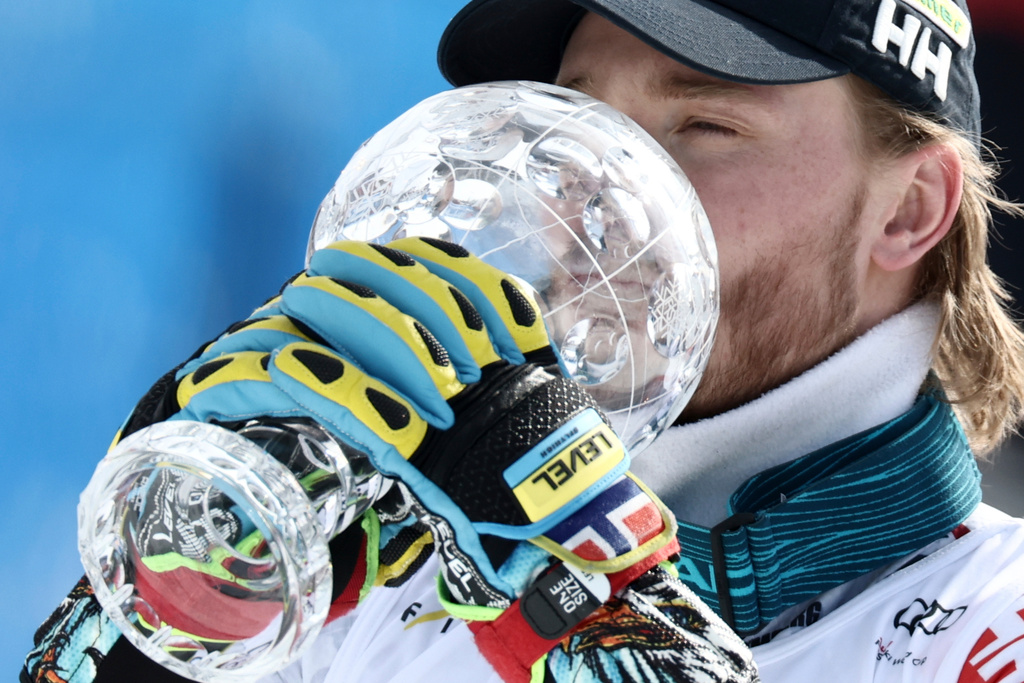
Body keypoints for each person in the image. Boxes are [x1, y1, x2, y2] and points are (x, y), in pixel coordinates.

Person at [22, 0, 1024, 681]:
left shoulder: (995, 618)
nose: (592, 187)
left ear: (910, 209)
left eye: (700, 125)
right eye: (574, 116)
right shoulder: (388, 568)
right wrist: (160, 601)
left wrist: (585, 593)